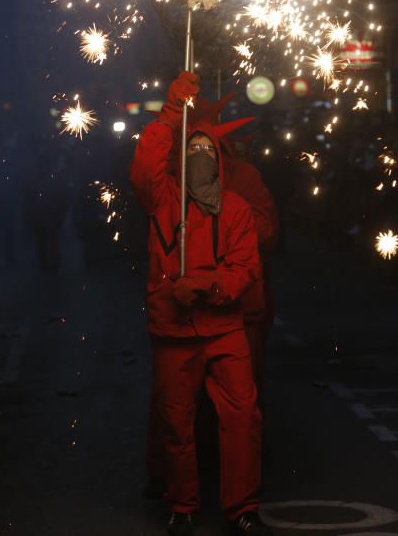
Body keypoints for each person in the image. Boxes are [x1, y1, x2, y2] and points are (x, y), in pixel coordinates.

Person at [131, 71, 273, 535]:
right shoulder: (162, 201)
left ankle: (242, 507)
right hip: (172, 330)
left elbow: (244, 265)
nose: (200, 158)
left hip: (224, 326)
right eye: (191, 151)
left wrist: (209, 286)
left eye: (207, 152)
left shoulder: (233, 208)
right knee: (176, 421)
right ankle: (183, 505)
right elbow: (147, 164)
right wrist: (172, 115)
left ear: (220, 160)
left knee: (242, 416)